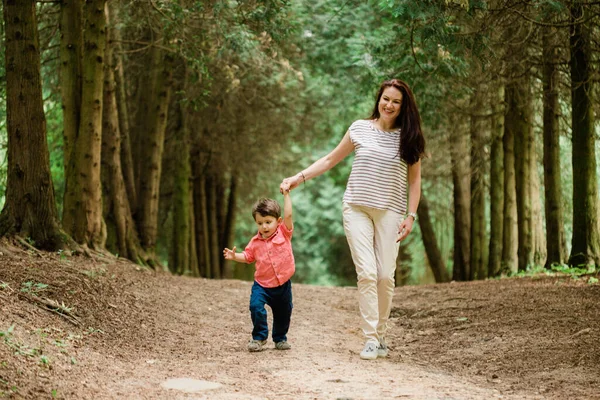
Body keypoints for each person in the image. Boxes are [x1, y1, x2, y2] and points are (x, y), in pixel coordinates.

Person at [279, 79, 425, 360]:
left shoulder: (409, 137)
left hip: (391, 212)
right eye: (386, 99)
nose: (389, 105)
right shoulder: (359, 128)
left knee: (385, 276)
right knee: (368, 273)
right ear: (378, 100)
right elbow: (330, 160)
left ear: (403, 106)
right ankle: (370, 338)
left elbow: (415, 181)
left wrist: (411, 215)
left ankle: (381, 335)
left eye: (396, 101)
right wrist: (299, 178)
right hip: (356, 207)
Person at [223, 192, 295, 352]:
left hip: (282, 285)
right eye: (260, 223)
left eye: (268, 222)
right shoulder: (255, 242)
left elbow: (289, 213)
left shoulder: (284, 233)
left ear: (279, 221)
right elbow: (248, 256)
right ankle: (259, 338)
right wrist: (235, 256)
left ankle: (280, 338)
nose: (264, 226)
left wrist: (287, 194)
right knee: (255, 306)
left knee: (284, 312)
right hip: (262, 285)